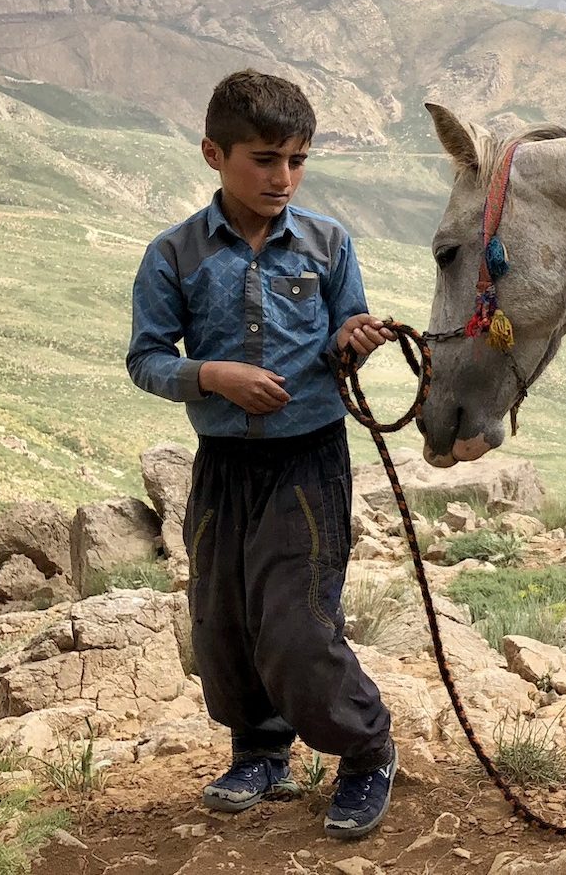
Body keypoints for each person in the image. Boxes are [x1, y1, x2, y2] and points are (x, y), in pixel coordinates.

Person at [126, 69, 397, 840]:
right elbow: (145, 358)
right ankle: (260, 750)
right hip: (221, 465)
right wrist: (209, 375)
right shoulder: (173, 255)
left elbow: (348, 332)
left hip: (307, 461)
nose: (283, 178)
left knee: (298, 623)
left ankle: (366, 750)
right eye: (264, 159)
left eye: (298, 161)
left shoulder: (328, 243)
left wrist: (354, 341)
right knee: (225, 618)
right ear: (214, 153)